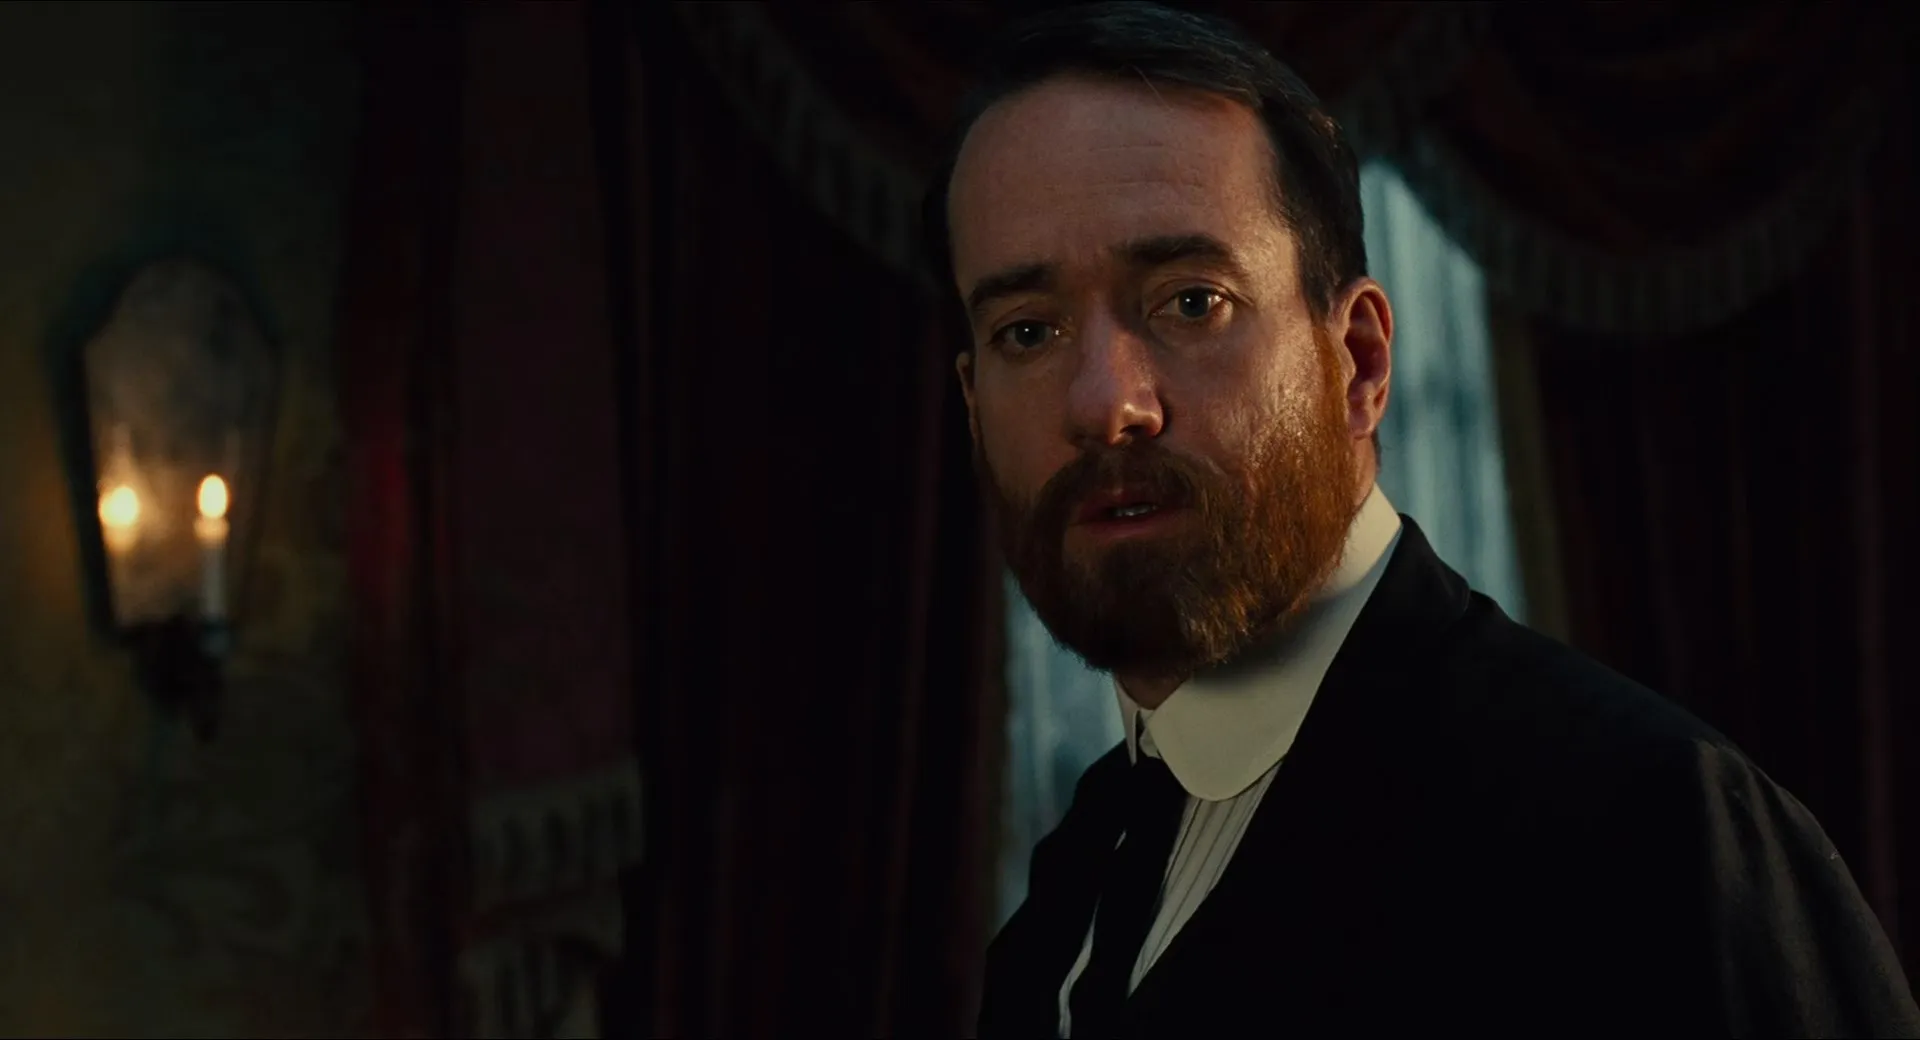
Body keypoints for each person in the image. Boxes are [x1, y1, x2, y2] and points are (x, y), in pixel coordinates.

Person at [920, 3, 1920, 1036]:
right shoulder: (1074, 880)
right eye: (1027, 331)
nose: (1106, 404)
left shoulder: (1652, 829)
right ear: (972, 402)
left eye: (1192, 302)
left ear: (1358, 361)